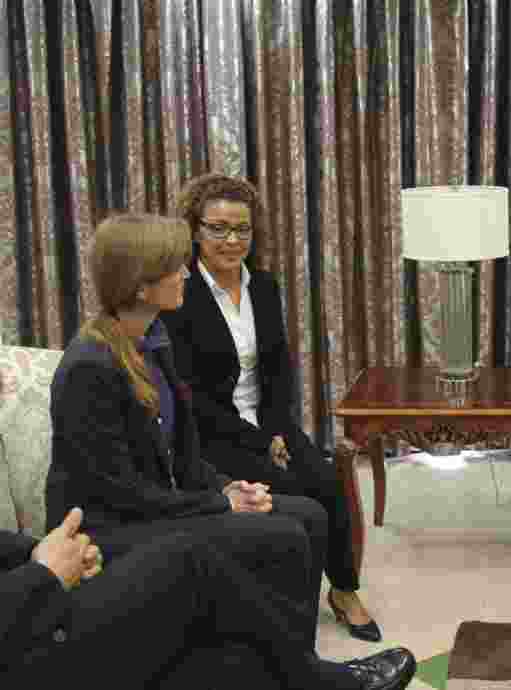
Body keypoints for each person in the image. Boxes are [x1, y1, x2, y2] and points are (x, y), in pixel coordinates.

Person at [43, 213, 415, 688]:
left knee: (308, 516)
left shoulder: (153, 341)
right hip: (110, 531)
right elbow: (123, 494)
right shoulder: (89, 366)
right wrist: (222, 504)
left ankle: (291, 666)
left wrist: (225, 485)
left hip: (156, 505)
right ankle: (307, 678)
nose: (185, 273)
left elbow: (183, 454)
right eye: (176, 266)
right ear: (140, 286)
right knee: (280, 536)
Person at [163, 173, 380, 641]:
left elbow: (279, 370)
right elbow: (192, 397)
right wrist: (260, 442)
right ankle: (285, 613)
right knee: (294, 498)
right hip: (217, 436)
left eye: (242, 228)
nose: (232, 239)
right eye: (218, 228)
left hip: (269, 424)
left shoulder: (263, 286)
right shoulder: (180, 296)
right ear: (195, 230)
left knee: (328, 482)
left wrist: (279, 431)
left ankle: (343, 590)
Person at [1, 507, 416, 689]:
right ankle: (327, 682)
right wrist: (45, 574)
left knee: (225, 660)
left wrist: (45, 553)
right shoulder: (86, 367)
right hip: (21, 645)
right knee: (186, 560)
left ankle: (312, 679)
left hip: (28, 607)